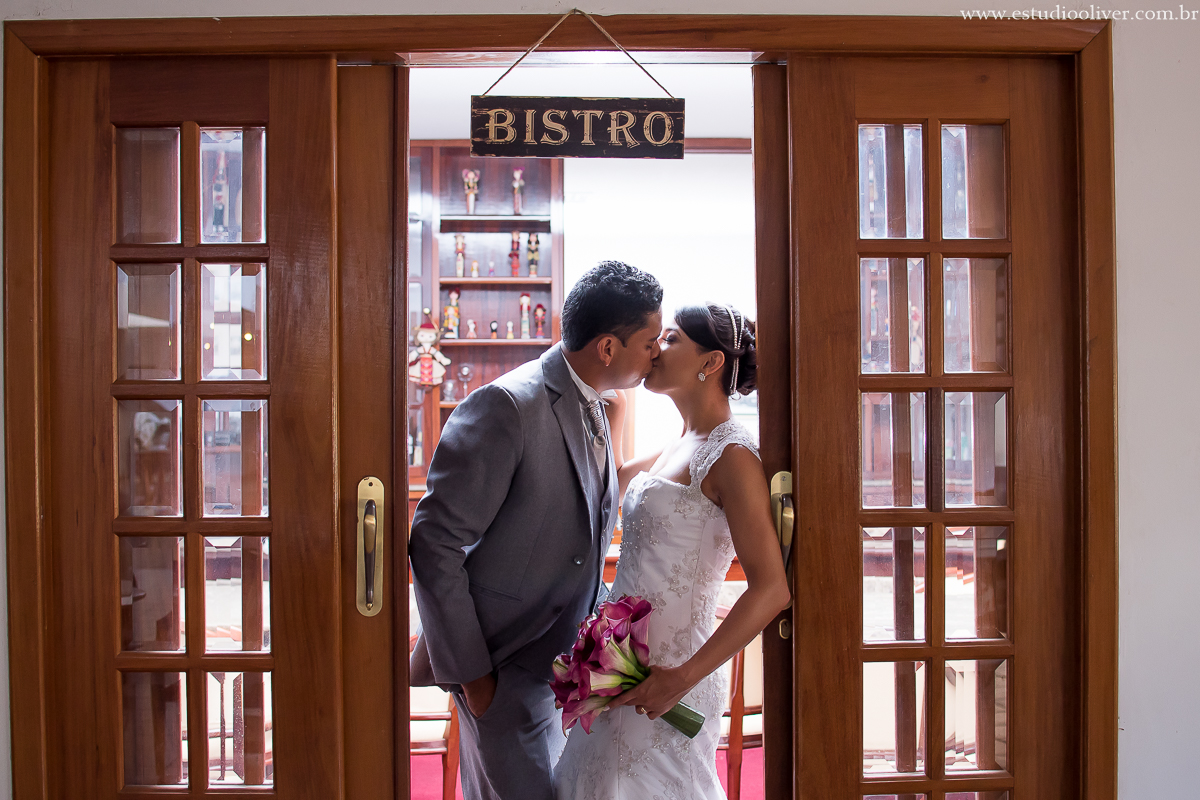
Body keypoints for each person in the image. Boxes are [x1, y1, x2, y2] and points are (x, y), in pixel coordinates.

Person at [409, 261, 664, 800]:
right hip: (501, 665)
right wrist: (476, 680)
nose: (657, 352)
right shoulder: (508, 405)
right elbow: (435, 542)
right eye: (649, 341)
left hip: (555, 671)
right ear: (608, 348)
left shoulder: (599, 402)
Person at [553, 302, 791, 800]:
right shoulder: (673, 445)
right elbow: (610, 480)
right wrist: (610, 394)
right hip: (619, 666)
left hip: (675, 673)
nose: (657, 347)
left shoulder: (732, 456)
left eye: (673, 338)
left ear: (711, 363)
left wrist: (681, 678)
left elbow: (772, 590)